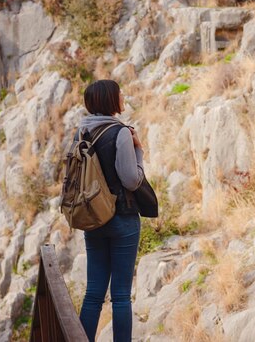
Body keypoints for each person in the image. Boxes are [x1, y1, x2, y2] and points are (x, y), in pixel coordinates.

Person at [78, 79, 144, 342]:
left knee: (93, 293)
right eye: (119, 93)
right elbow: (131, 180)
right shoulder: (121, 133)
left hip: (93, 219)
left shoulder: (81, 132)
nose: (123, 96)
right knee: (120, 295)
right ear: (110, 100)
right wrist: (139, 152)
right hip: (122, 218)